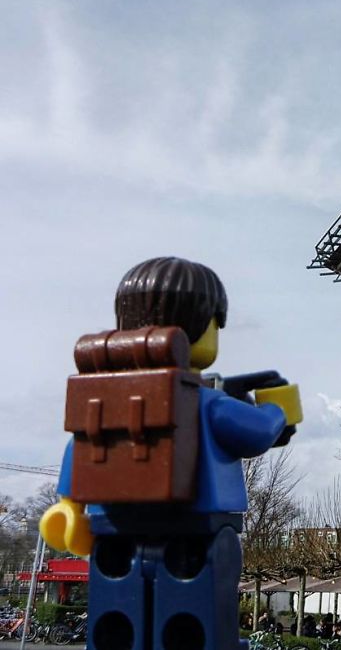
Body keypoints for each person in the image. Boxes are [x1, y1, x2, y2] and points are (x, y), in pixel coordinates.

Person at [39, 257, 303, 650]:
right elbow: (259, 434)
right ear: (204, 325)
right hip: (198, 530)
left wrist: (69, 503)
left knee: (117, 619)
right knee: (196, 622)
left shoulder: (102, 398)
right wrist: (277, 409)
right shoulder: (208, 404)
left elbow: (79, 445)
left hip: (113, 532)